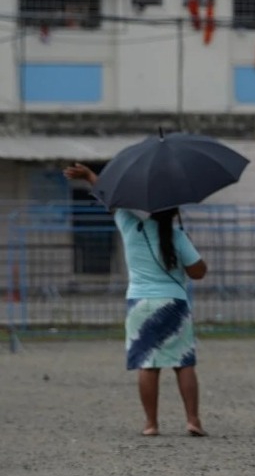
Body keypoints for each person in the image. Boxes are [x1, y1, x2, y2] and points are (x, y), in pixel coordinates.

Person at [63, 163, 209, 438]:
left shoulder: (131, 227)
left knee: (148, 363)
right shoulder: (177, 236)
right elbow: (198, 272)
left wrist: (88, 177)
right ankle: (193, 420)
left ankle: (151, 424)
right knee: (183, 362)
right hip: (174, 302)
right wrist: (189, 250)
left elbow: (110, 199)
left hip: (140, 303)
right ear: (174, 212)